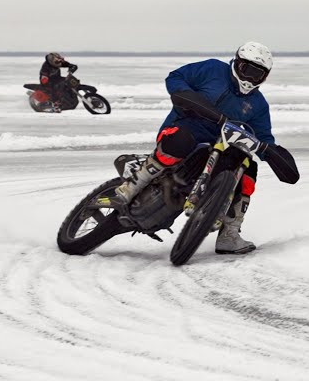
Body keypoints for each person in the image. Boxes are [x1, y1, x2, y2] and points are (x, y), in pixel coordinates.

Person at [112, 42, 282, 255]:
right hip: (185, 128)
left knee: (249, 168)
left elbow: (264, 137)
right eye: (247, 70)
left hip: (221, 148)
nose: (250, 78)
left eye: (257, 75)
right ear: (237, 63)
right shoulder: (212, 69)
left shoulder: (258, 105)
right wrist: (187, 96)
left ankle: (229, 233)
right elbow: (175, 77)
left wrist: (274, 152)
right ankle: (134, 185)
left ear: (264, 77)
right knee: (183, 139)